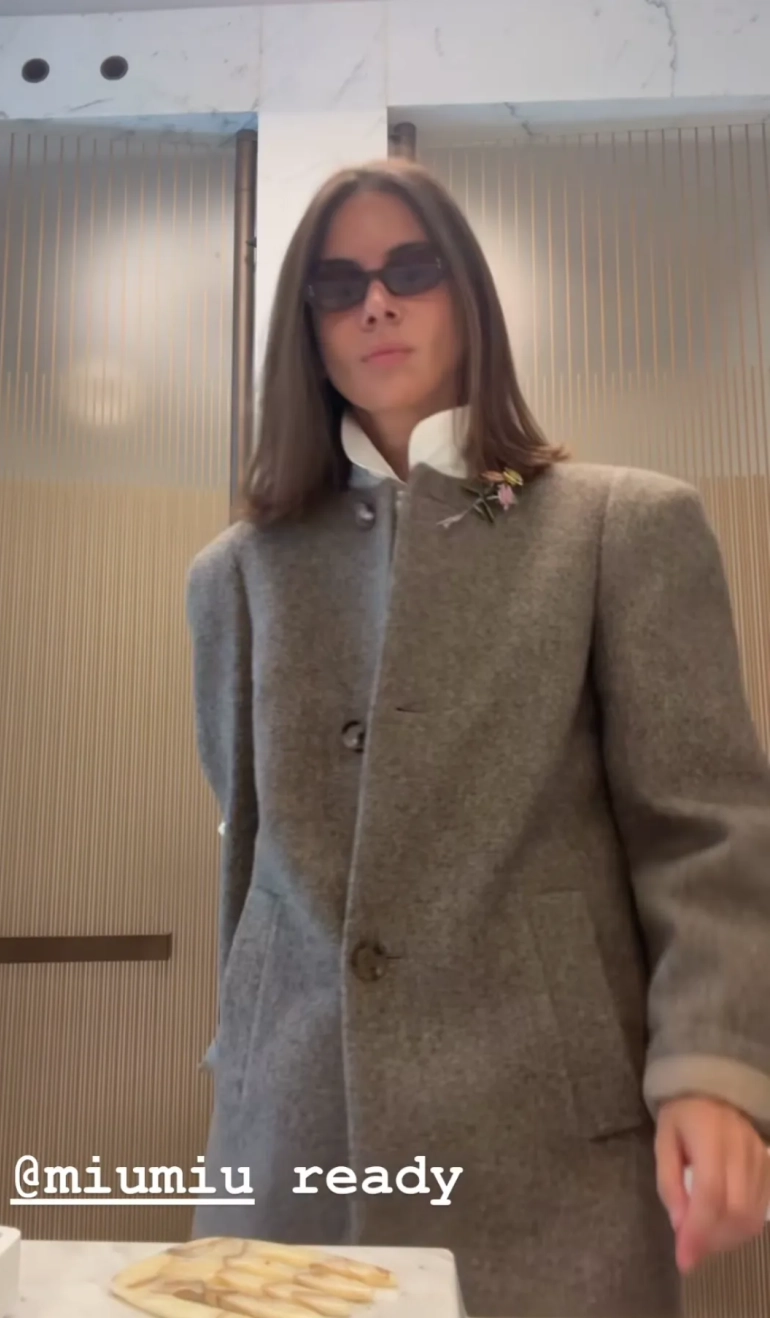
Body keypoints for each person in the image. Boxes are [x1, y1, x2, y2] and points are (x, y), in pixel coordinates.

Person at [185, 157, 770, 1318]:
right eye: (338, 284)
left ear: (467, 296)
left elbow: (705, 831)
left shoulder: (617, 527)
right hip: (292, 1141)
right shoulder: (234, 577)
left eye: (410, 270)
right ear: (307, 325)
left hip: (547, 1149)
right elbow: (250, 861)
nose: (375, 304)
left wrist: (712, 1062)